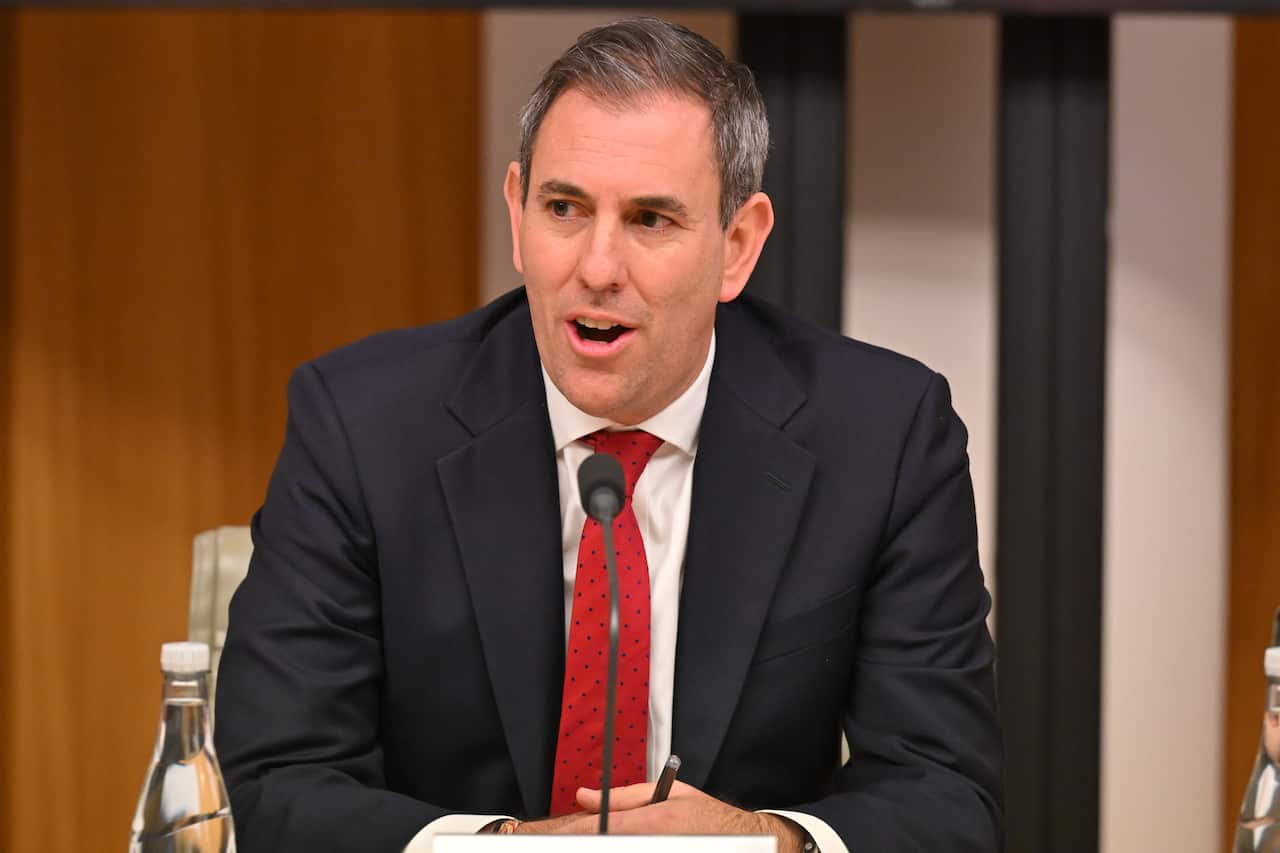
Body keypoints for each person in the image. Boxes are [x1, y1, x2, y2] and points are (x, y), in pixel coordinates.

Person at [215, 16, 1003, 853]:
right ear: (517, 214)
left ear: (738, 246)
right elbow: (276, 779)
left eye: (651, 220)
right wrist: (512, 848)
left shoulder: (883, 436)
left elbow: (947, 795)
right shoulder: (363, 424)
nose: (596, 266)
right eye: (565, 207)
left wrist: (766, 842)